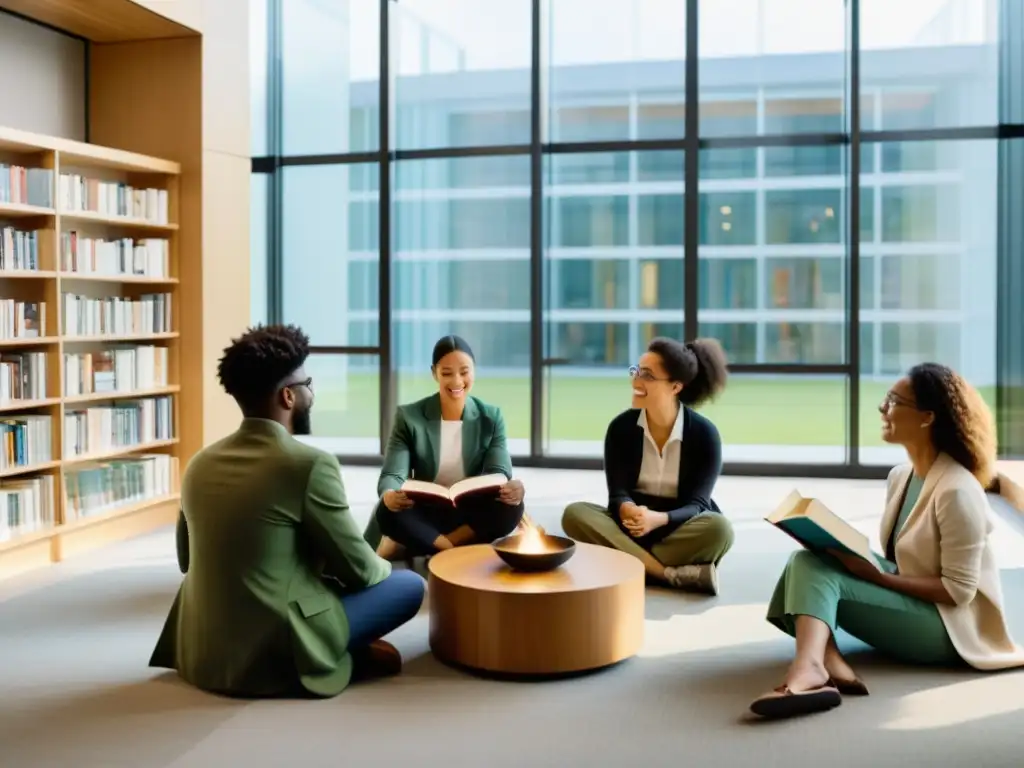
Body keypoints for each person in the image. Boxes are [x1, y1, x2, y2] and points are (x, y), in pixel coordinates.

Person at [149, 324, 425, 699]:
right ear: (288, 397)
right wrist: (381, 562)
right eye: (307, 383)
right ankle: (328, 652)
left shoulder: (199, 462)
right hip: (275, 643)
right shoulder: (308, 464)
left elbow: (187, 560)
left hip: (203, 648)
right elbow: (359, 570)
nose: (311, 391)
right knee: (409, 585)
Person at [749, 363, 1024, 720]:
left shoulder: (958, 490)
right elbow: (907, 558)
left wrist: (875, 576)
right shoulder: (901, 477)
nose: (882, 408)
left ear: (927, 418)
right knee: (806, 560)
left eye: (894, 401)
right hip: (915, 599)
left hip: (949, 630)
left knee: (823, 577)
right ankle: (823, 659)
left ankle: (811, 669)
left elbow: (958, 592)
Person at [561, 337, 734, 595]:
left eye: (648, 376)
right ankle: (667, 574)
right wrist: (628, 508)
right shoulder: (621, 428)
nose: (635, 382)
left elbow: (697, 504)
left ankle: (627, 565)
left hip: (677, 526)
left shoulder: (704, 435)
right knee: (575, 514)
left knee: (720, 530)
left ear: (676, 386)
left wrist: (658, 519)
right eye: (636, 371)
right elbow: (617, 493)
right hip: (629, 527)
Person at [365, 334, 526, 559]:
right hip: (426, 511)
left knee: (514, 506)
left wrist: (512, 489)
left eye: (464, 372)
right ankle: (451, 549)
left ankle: (434, 544)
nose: (457, 381)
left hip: (470, 513)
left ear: (474, 370)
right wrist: (390, 494)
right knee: (386, 510)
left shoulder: (491, 417)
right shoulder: (409, 417)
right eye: (447, 373)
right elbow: (392, 474)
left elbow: (499, 471)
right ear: (434, 373)